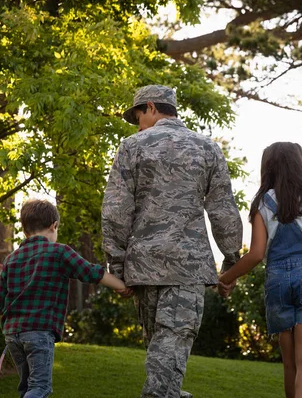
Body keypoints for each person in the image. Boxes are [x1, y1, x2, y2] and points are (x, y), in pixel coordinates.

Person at [102, 85, 243, 398]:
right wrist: (231, 258)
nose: (137, 126)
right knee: (170, 350)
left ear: (151, 107)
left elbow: (115, 209)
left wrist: (117, 262)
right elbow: (222, 208)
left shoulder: (130, 147)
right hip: (187, 267)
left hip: (143, 266)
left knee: (161, 350)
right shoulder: (208, 148)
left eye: (138, 117)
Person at [218, 142, 302, 398]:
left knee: (290, 365)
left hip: (278, 282)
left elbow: (255, 254)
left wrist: (225, 279)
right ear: (300, 164)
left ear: (268, 168)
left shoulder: (262, 202)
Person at [0, 199, 127, 398]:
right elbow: (90, 272)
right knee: (40, 388)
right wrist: (122, 287)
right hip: (39, 332)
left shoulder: (10, 259)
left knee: (27, 388)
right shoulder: (59, 252)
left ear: (24, 230)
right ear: (53, 226)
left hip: (12, 336)